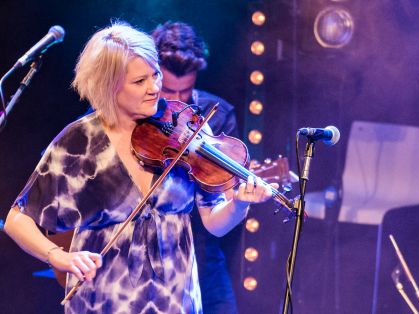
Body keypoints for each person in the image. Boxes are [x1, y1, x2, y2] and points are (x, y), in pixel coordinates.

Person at [4, 22, 274, 313]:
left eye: (155, 75)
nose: (155, 88)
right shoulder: (80, 139)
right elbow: (16, 219)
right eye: (139, 82)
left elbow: (214, 223)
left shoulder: (188, 128)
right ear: (109, 86)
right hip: (104, 300)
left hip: (175, 299)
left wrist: (238, 205)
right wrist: (58, 256)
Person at [151, 22, 241, 313]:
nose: (176, 102)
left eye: (185, 91)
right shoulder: (133, 110)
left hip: (199, 247)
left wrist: (239, 197)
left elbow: (225, 198)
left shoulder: (219, 114)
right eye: (167, 90)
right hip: (141, 250)